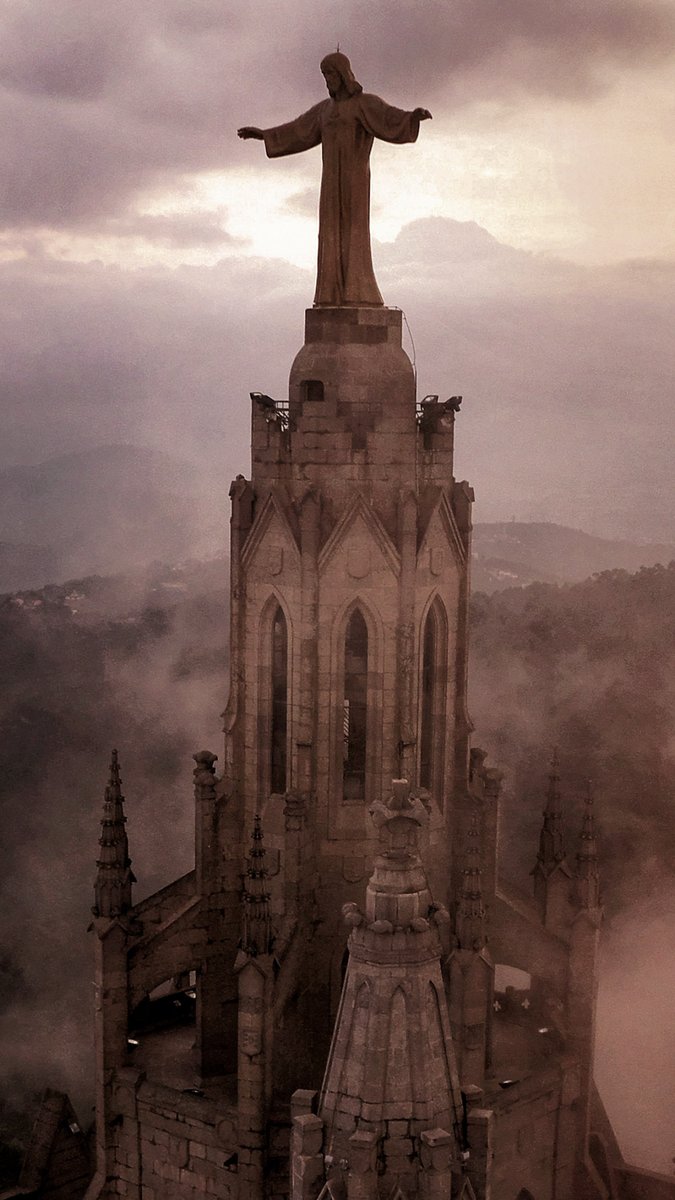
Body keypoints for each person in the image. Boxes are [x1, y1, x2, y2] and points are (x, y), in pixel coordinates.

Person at [238, 52, 431, 307]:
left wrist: (412, 117)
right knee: (330, 233)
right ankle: (330, 294)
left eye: (330, 74)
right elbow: (298, 130)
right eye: (324, 75)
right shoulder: (325, 111)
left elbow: (388, 118)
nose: (327, 80)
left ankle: (359, 292)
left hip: (355, 181)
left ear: (343, 74)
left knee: (354, 232)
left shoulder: (364, 104)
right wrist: (264, 135)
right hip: (330, 183)